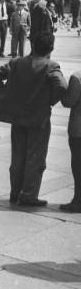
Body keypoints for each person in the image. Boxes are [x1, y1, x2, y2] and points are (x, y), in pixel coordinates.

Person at [0, 32, 66, 207]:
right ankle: (29, 194)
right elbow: (61, 86)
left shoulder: (16, 62)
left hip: (18, 117)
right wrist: (48, 102)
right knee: (35, 157)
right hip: (38, 118)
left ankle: (15, 192)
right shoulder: (51, 65)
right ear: (51, 48)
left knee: (18, 155)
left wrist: (6, 96)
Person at [61, 69, 81, 213]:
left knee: (78, 166)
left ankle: (78, 201)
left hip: (78, 130)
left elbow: (68, 102)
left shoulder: (77, 77)